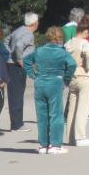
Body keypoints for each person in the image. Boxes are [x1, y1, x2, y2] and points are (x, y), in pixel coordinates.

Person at [24, 26, 76, 154]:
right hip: (55, 82)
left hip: (40, 82)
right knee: (56, 114)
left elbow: (26, 61)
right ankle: (55, 145)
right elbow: (72, 64)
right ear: (60, 38)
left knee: (42, 115)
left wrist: (33, 75)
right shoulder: (62, 52)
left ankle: (43, 145)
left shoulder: (40, 51)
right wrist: (66, 80)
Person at [4, 12, 39, 132]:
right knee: (17, 95)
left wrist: (9, 53)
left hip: (11, 64)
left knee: (15, 94)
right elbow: (19, 45)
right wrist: (19, 58)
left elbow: (6, 40)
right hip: (17, 66)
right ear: (35, 23)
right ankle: (17, 124)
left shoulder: (19, 30)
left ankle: (17, 123)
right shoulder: (29, 34)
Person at [65, 21, 89, 146]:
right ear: (85, 31)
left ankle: (70, 137)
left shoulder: (69, 43)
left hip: (72, 76)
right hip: (84, 75)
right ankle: (80, 137)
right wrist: (88, 67)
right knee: (83, 107)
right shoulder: (84, 43)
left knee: (72, 108)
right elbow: (88, 55)